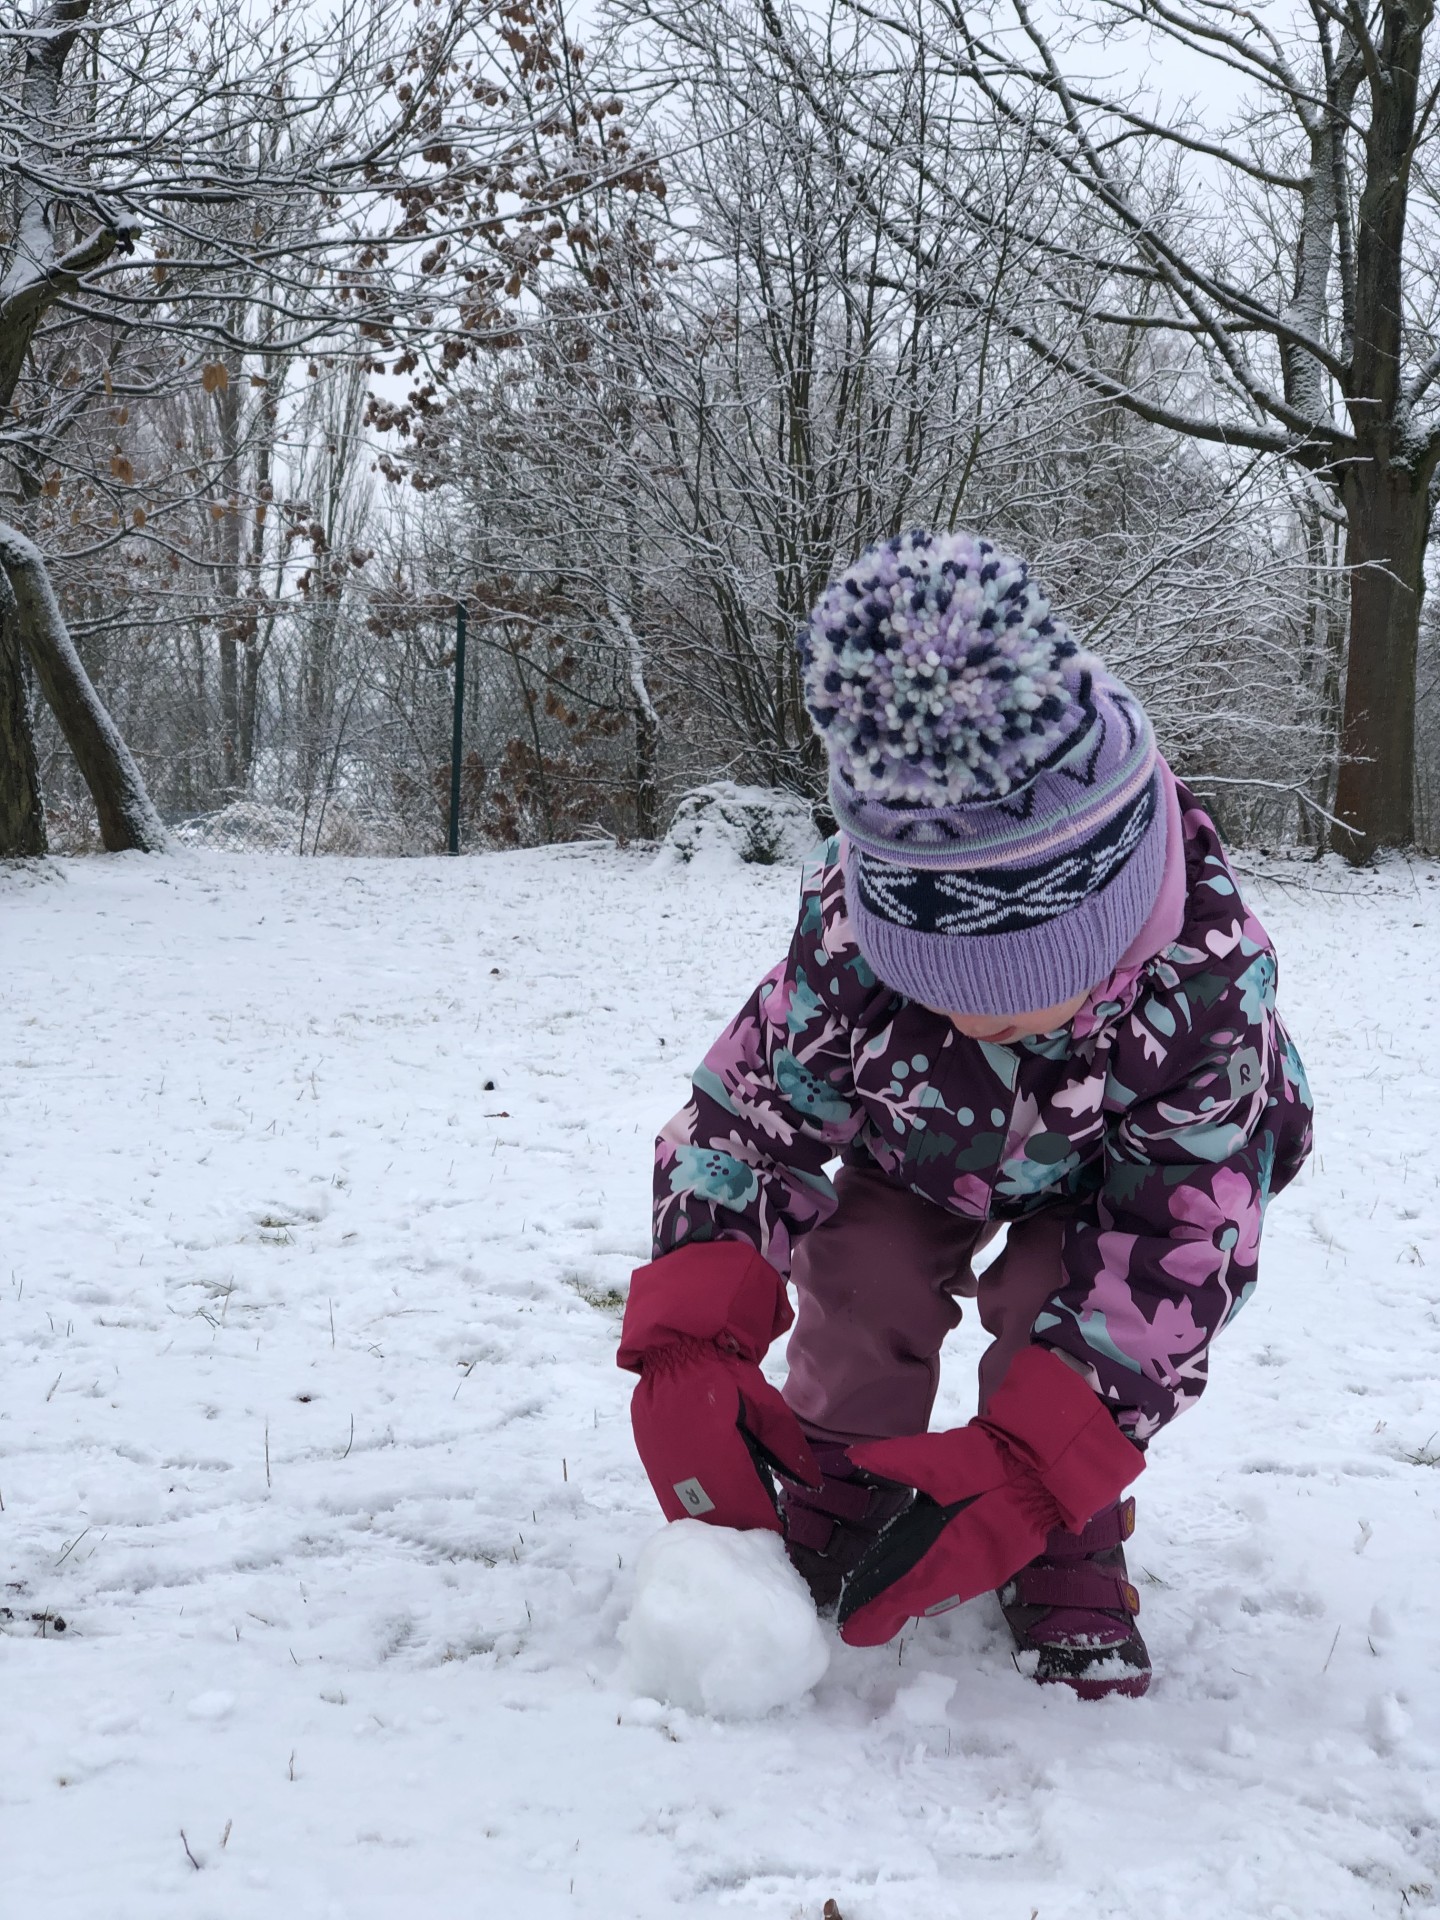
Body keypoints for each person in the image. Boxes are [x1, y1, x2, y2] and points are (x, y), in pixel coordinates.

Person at [617, 528, 1314, 1700]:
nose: (971, 1019)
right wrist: (690, 1333)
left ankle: (1056, 1523)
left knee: (1054, 1289)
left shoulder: (1206, 986)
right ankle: (841, 1468)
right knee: (867, 1270)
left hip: (1112, 1177)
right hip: (920, 1147)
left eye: (1013, 995)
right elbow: (747, 1114)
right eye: (930, 986)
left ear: (1107, 930)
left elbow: (1176, 1247)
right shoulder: (852, 932)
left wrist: (1045, 1459)